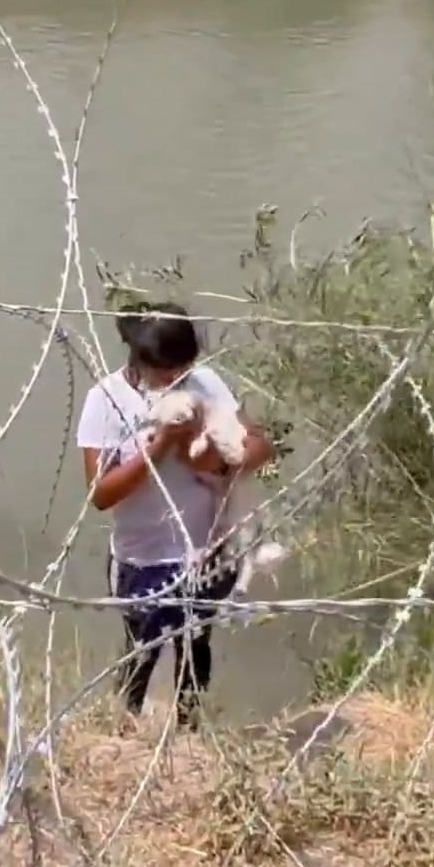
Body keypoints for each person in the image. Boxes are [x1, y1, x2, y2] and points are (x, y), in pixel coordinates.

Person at [76, 300, 274, 728]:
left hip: (207, 550)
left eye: (185, 370)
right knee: (140, 650)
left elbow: (259, 446)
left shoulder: (205, 383)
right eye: (168, 373)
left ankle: (188, 734)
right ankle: (121, 735)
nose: (177, 381)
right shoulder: (106, 400)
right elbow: (102, 493)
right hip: (142, 557)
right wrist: (162, 444)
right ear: (140, 359)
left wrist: (217, 462)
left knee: (195, 646)